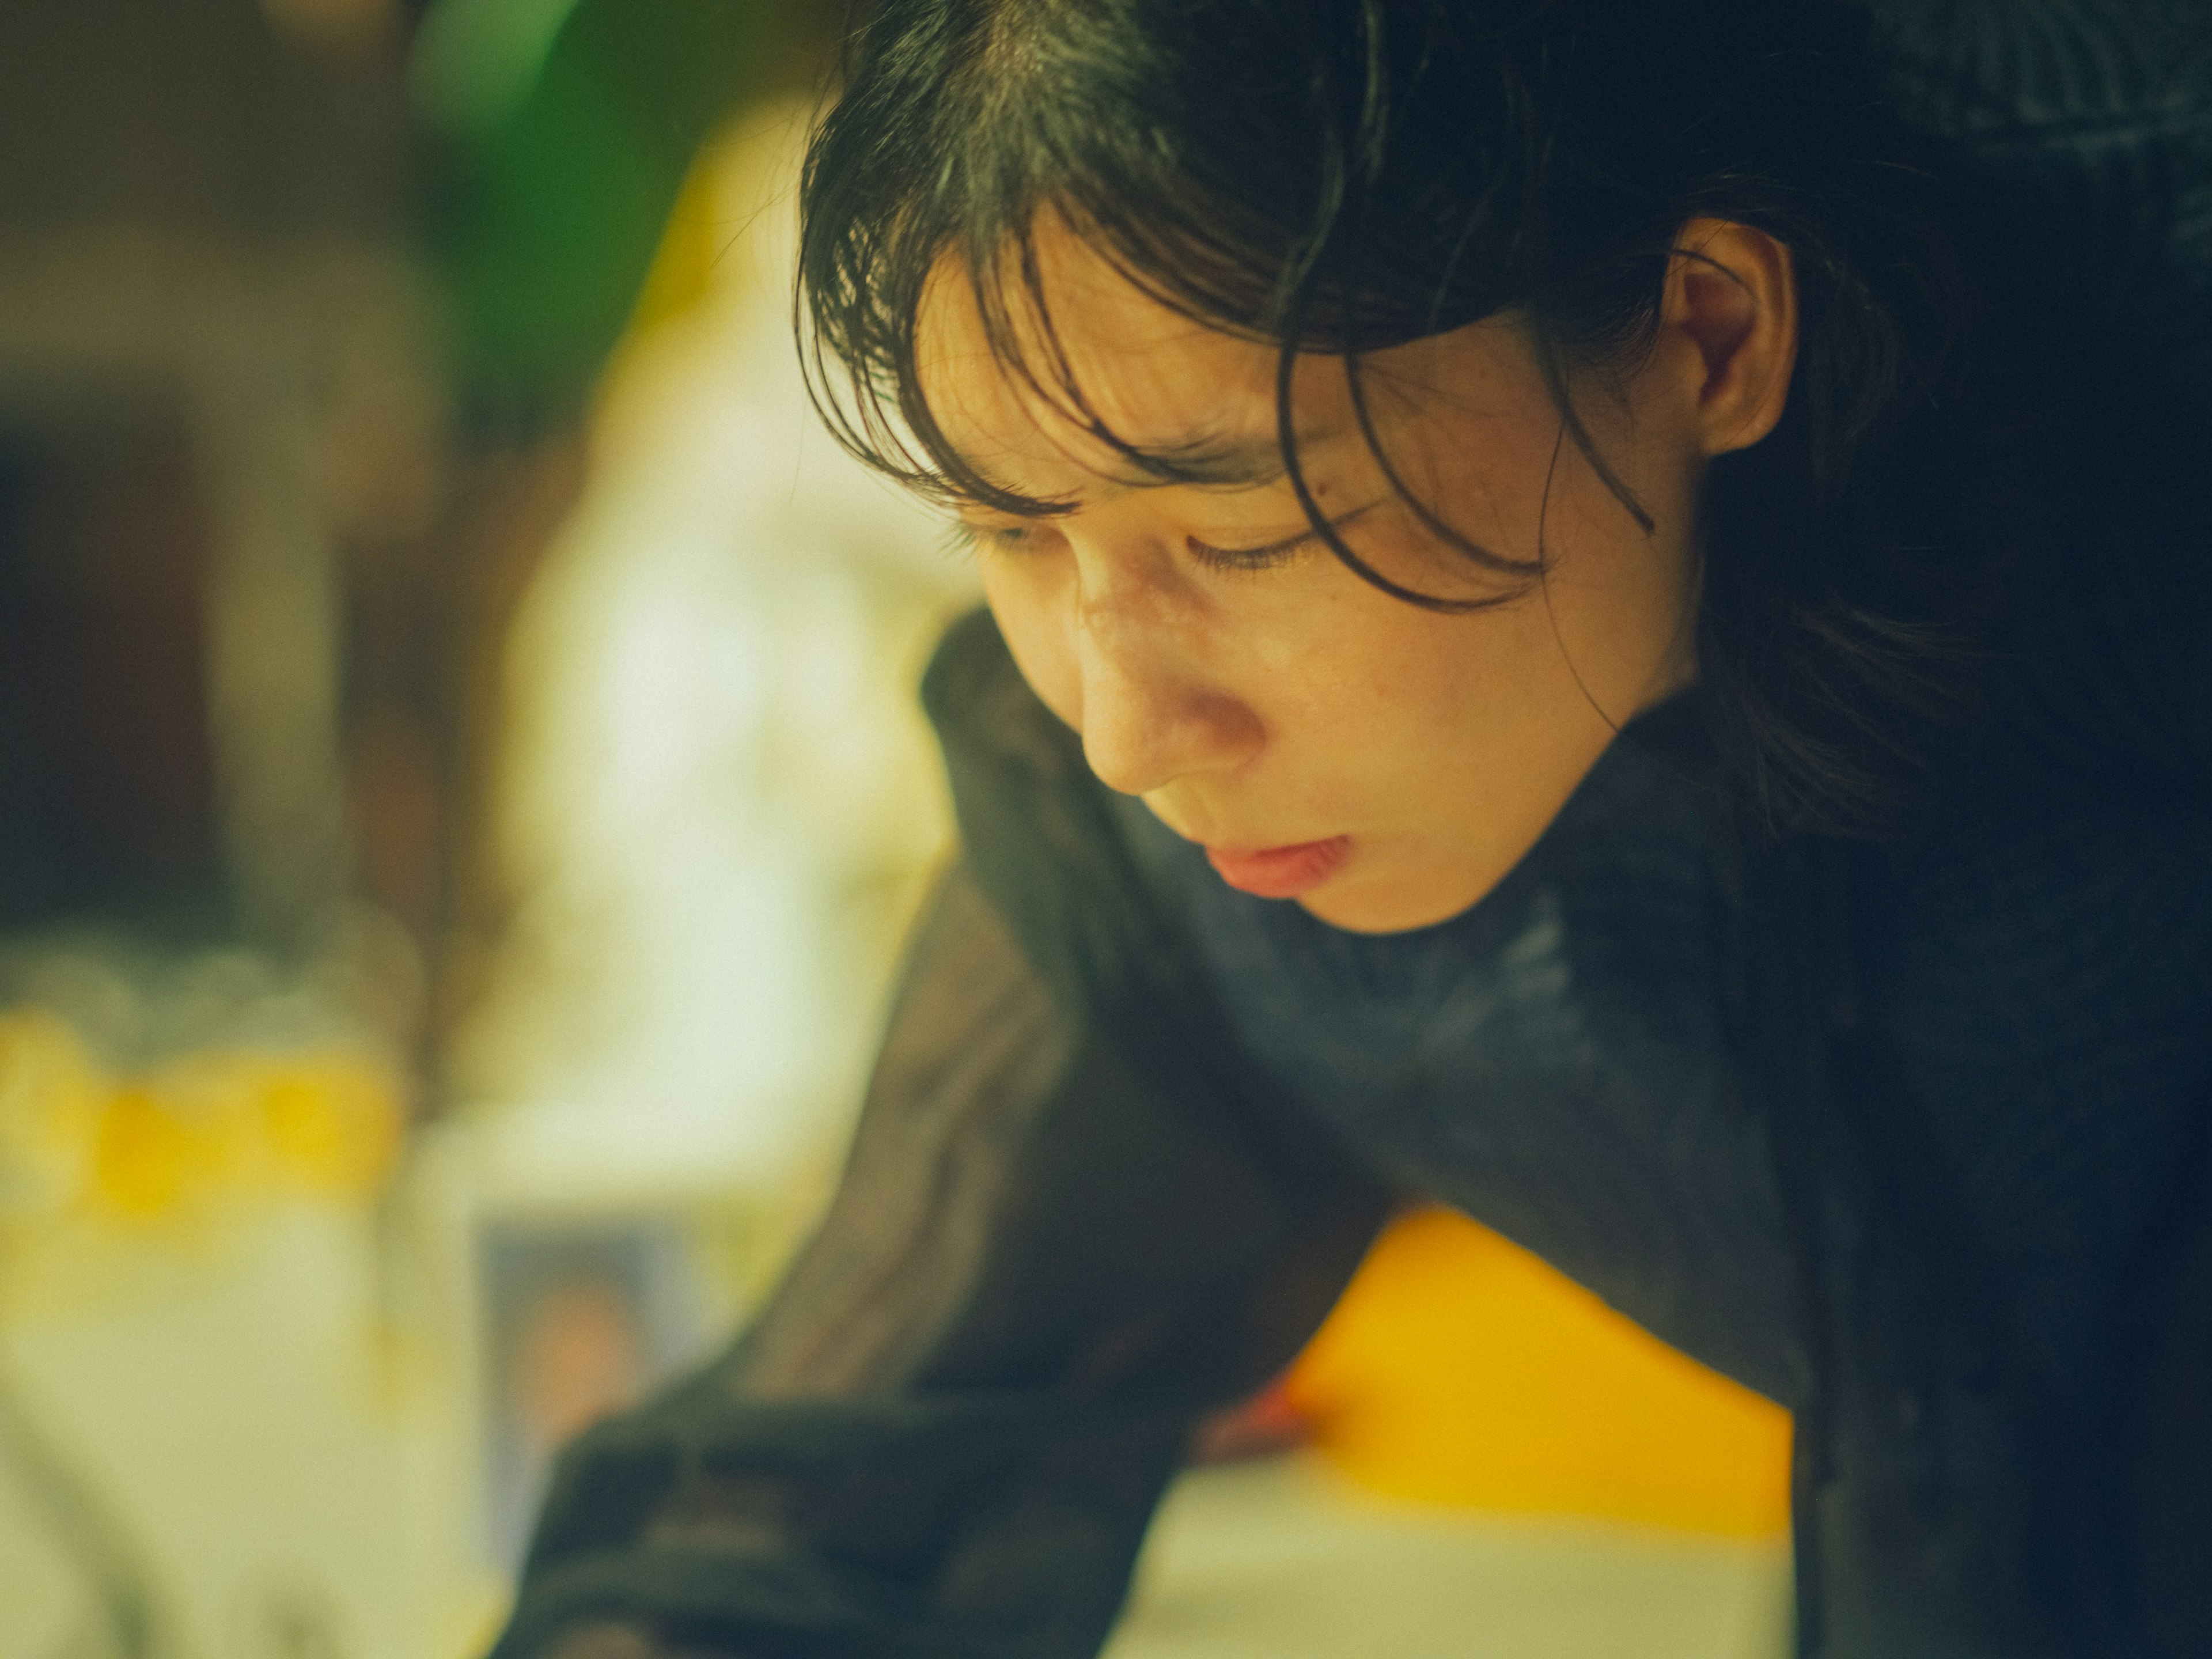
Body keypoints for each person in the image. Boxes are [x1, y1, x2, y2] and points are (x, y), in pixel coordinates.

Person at [487, 1, 2212, 1655]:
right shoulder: (1202, 819)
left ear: (1710, 330)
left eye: (1245, 540)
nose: (1127, 733)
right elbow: (809, 1529)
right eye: (1008, 533)